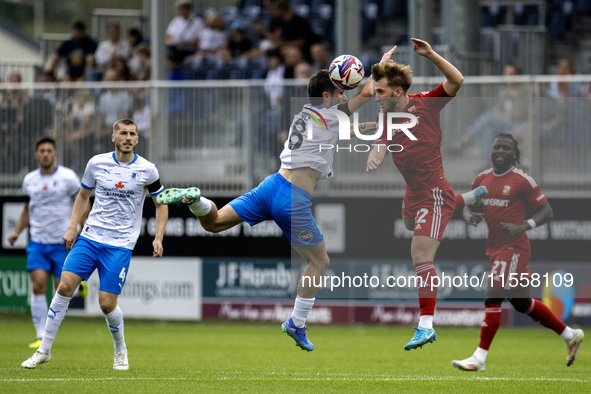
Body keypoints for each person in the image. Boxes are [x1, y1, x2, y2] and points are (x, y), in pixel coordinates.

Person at [157, 69, 376, 351]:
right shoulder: (331, 116)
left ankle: (195, 200)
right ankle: (297, 322)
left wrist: (381, 126)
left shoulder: (306, 115)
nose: (345, 96)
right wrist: (380, 66)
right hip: (293, 198)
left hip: (270, 186)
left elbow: (351, 129)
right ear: (326, 96)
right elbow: (367, 93)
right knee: (319, 263)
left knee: (215, 222)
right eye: (340, 92)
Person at [21, 118, 168, 370]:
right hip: (90, 237)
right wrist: (72, 228)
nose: (128, 137)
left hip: (120, 245)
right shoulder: (96, 163)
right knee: (65, 286)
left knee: (106, 304)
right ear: (113, 137)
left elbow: (161, 203)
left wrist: (158, 237)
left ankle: (120, 349)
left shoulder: (147, 170)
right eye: (123, 133)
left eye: (133, 133)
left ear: (137, 138)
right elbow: (82, 196)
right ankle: (44, 349)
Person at [451, 133, 585, 371]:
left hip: (515, 248)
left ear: (514, 154)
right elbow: (470, 205)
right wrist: (469, 215)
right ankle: (569, 334)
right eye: (496, 147)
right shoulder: (481, 180)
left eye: (506, 148)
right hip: (495, 248)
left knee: (492, 296)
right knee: (522, 303)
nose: (500, 151)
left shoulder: (522, 181)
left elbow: (547, 211)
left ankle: (479, 358)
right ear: (491, 151)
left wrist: (523, 226)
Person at [365, 39, 464, 351]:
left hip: (434, 194)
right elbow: (380, 140)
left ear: (397, 92)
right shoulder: (386, 115)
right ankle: (465, 199)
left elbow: (457, 80)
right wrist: (376, 152)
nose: (375, 97)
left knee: (420, 256)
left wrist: (432, 54)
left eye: (380, 92)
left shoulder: (426, 103)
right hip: (413, 194)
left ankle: (426, 326)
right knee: (409, 225)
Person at [7, 136, 89, 349]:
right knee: (38, 285)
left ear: (55, 154)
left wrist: (78, 227)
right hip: (38, 242)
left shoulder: (68, 177)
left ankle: (78, 286)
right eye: (41, 151)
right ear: (36, 155)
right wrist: (17, 232)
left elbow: (84, 203)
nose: (45, 154)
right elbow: (27, 209)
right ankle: (40, 335)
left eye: (48, 151)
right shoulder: (29, 180)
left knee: (62, 288)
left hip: (62, 243)